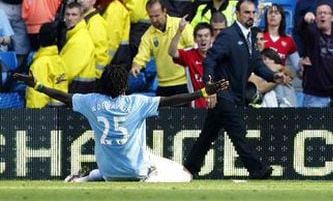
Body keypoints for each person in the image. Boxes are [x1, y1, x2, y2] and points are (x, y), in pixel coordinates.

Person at [13, 64, 229, 182]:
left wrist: (37, 85)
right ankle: (143, 178)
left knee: (147, 156)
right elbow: (172, 101)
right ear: (125, 84)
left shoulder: (91, 101)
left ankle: (84, 178)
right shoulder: (137, 102)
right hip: (137, 172)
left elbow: (63, 96)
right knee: (185, 175)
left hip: (108, 173)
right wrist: (202, 92)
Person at [184, 0, 288, 179]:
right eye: (246, 12)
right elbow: (210, 61)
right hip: (224, 93)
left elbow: (256, 63)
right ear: (237, 14)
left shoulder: (249, 37)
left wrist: (273, 76)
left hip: (235, 95)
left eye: (252, 12)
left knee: (208, 135)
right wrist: (210, 88)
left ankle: (189, 167)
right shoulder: (228, 36)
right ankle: (257, 169)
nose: (250, 16)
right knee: (238, 132)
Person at [130, 0, 194, 97]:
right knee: (163, 113)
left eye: (157, 15)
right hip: (163, 85)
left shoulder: (181, 25)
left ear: (164, 11)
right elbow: (142, 55)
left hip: (184, 81)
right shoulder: (148, 35)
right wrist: (136, 65)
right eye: (151, 16)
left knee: (185, 113)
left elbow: (194, 49)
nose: (154, 20)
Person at [299, 4, 333, 107]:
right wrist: (305, 19)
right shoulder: (312, 35)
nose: (322, 15)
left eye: (325, 13)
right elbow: (302, 29)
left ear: (332, 17)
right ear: (315, 18)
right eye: (319, 13)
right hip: (315, 96)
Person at [169, 20, 214, 108]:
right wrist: (179, 30)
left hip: (217, 105)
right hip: (196, 106)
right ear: (194, 39)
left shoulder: (219, 54)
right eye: (199, 36)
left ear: (211, 38)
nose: (203, 39)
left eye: (206, 36)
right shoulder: (189, 54)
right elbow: (172, 52)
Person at [26, 22, 68, 108]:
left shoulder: (39, 64)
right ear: (56, 40)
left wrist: (32, 117)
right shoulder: (59, 60)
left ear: (39, 38)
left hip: (46, 113)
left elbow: (37, 95)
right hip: (62, 109)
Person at [95, 0, 131, 66]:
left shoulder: (114, 8)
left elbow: (112, 39)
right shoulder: (105, 5)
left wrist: (102, 65)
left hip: (115, 60)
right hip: (114, 57)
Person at [60, 2, 96, 93]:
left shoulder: (80, 38)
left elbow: (69, 70)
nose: (70, 18)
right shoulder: (75, 34)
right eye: (67, 14)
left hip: (79, 86)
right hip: (80, 85)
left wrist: (56, 82)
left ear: (81, 17)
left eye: (74, 15)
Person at [76, 0, 109, 79]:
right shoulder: (83, 19)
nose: (81, 0)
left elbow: (100, 51)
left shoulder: (95, 22)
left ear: (94, 1)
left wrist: (97, 75)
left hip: (89, 77)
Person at [263, 4, 299, 71]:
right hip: (259, 79)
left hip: (279, 79)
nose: (273, 15)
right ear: (266, 17)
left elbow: (297, 66)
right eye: (270, 12)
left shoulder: (289, 40)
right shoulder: (259, 37)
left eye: (276, 13)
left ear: (281, 17)